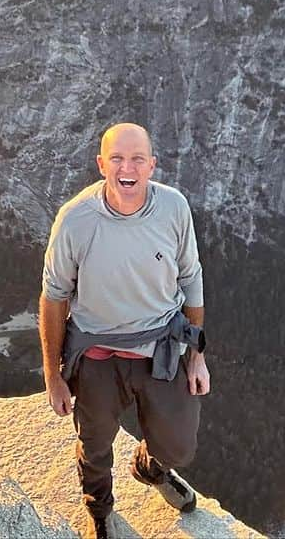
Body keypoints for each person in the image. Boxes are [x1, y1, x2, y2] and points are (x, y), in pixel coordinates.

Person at [40, 122, 209, 539]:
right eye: (116, 158)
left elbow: (191, 278)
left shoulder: (173, 208)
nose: (126, 168)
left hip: (162, 347)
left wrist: (197, 357)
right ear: (101, 165)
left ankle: (151, 466)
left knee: (179, 445)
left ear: (152, 165)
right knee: (95, 447)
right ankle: (99, 510)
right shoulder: (76, 219)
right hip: (98, 354)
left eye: (137, 159)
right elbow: (53, 296)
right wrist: (53, 375)